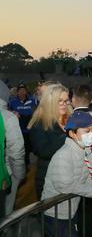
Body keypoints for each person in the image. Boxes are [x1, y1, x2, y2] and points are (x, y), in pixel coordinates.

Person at [41, 111, 92, 237]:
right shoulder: (64, 155)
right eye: (87, 131)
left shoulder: (86, 150)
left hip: (70, 211)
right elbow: (66, 186)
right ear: (72, 134)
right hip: (56, 215)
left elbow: (87, 178)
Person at [71, 85, 92, 237]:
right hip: (91, 167)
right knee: (87, 210)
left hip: (77, 169)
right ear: (91, 100)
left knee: (77, 210)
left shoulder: (71, 120)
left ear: (72, 100)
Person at [28, 83, 71, 199]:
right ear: (50, 102)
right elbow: (43, 151)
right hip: (50, 181)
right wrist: (69, 135)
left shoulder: (71, 120)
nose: (64, 104)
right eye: (59, 101)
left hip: (73, 179)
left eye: (66, 101)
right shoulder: (39, 123)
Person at [0, 81, 25, 217]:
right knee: (5, 212)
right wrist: (19, 175)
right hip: (5, 174)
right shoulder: (8, 117)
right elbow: (16, 151)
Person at [9, 84, 37, 165]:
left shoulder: (32, 101)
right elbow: (7, 112)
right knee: (19, 149)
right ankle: (20, 165)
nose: (22, 92)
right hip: (18, 131)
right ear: (17, 92)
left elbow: (37, 112)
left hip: (29, 131)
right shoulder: (13, 102)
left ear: (26, 91)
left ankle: (26, 164)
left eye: (24, 90)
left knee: (28, 149)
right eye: (20, 90)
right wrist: (12, 112)